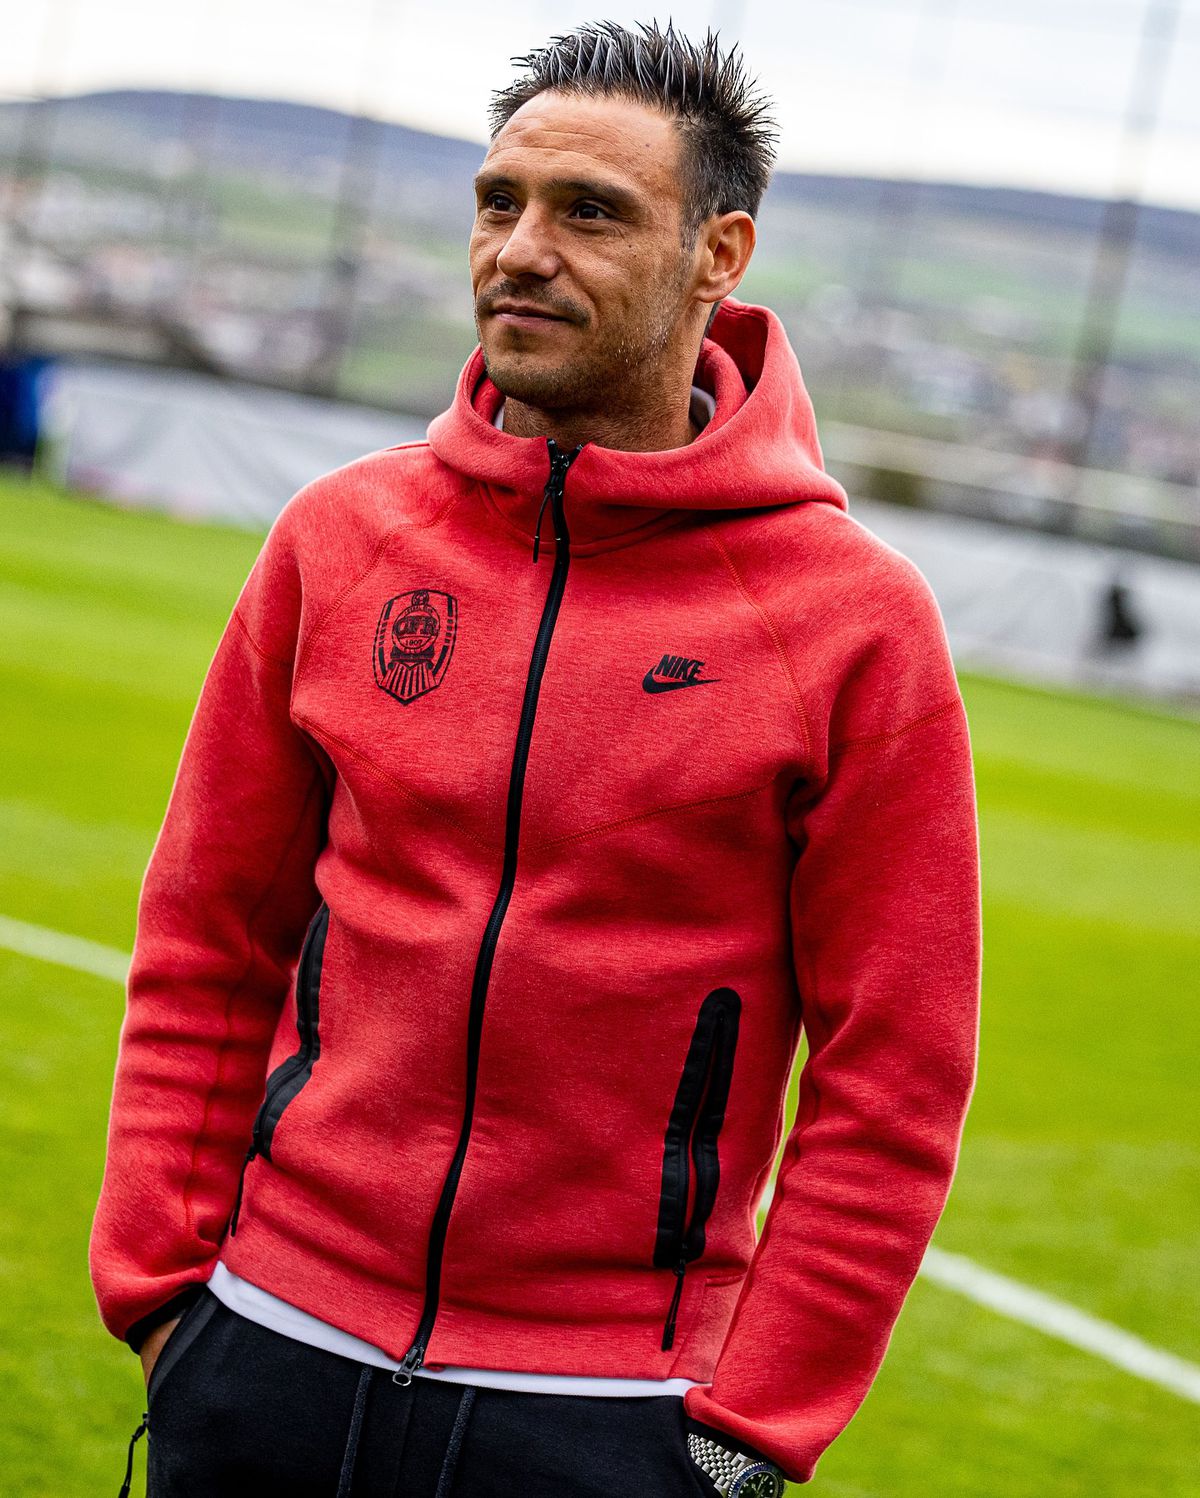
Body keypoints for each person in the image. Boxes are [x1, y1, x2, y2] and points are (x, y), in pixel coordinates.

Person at [90, 18, 982, 1498]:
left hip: (606, 1409)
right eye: (498, 201)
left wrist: (749, 1435)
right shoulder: (341, 537)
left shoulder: (853, 622)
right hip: (262, 1345)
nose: (520, 250)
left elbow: (894, 1074)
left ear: (719, 255)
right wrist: (166, 1294)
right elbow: (206, 932)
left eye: (591, 212)